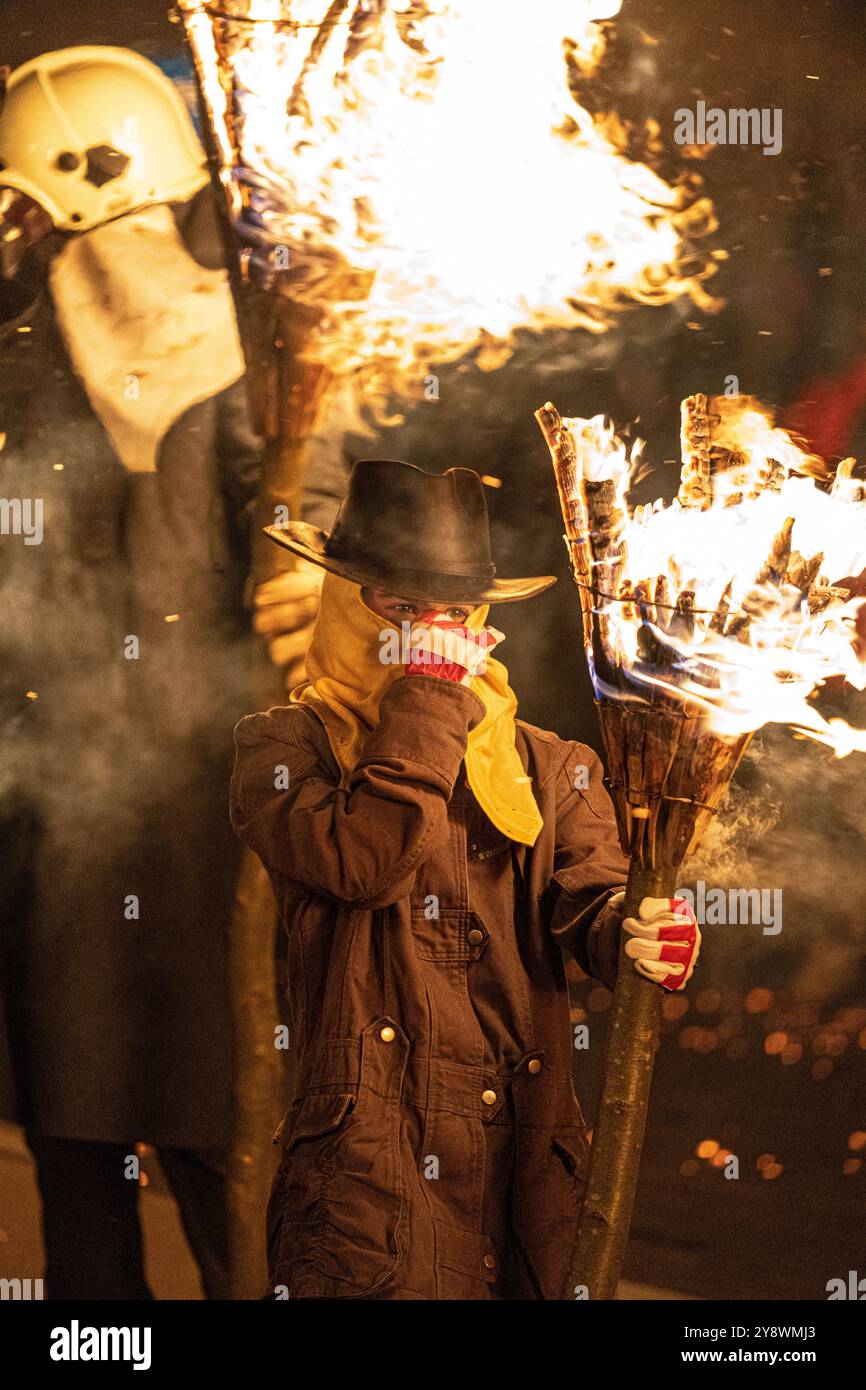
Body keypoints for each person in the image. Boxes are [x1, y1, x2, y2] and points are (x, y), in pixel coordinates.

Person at [0, 45, 337, 1299]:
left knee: (237, 1161)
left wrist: (336, 600)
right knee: (80, 1169)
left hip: (229, 841)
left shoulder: (276, 374)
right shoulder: (19, 376)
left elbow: (364, 559)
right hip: (64, 852)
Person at [229, 458, 701, 1300]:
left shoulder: (552, 767)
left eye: (450, 612)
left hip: (524, 1171)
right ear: (345, 598)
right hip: (368, 1180)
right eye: (399, 607)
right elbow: (362, 862)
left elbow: (593, 905)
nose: (428, 631)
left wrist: (642, 934)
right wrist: (431, 695)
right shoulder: (284, 749)